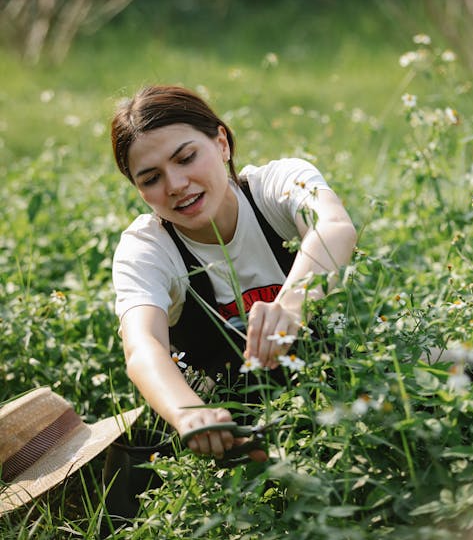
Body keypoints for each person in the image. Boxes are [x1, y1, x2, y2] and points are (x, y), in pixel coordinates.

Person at [111, 85, 357, 462]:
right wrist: (188, 413)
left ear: (222, 143)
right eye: (151, 179)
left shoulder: (277, 186)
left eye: (186, 158)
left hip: (341, 380)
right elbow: (143, 347)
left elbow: (335, 227)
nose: (176, 185)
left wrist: (292, 306)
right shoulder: (146, 249)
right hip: (237, 423)